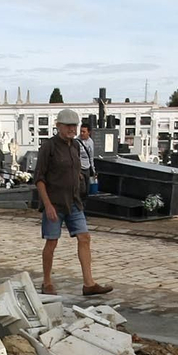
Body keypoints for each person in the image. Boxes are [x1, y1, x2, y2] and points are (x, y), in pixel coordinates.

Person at [31, 107, 112, 297]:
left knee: (84, 237)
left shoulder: (76, 146)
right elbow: (39, 178)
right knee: (52, 242)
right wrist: (47, 205)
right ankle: (47, 282)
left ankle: (89, 283)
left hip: (74, 202)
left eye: (74, 126)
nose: (72, 129)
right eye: (68, 125)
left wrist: (79, 180)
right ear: (58, 126)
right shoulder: (49, 147)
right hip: (55, 203)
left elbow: (75, 168)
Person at [77, 121, 97, 195]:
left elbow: (91, 157)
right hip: (80, 168)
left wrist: (93, 170)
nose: (82, 133)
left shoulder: (90, 142)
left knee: (87, 189)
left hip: (87, 167)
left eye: (84, 132)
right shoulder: (77, 141)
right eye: (81, 131)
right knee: (81, 189)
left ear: (89, 132)